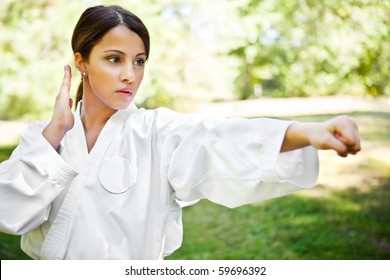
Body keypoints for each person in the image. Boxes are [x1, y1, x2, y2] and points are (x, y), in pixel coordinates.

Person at [0, 5, 360, 260]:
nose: (130, 74)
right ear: (82, 62)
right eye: (114, 59)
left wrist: (306, 132)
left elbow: (217, 141)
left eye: (139, 61)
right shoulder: (44, 138)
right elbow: (10, 212)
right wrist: (54, 134)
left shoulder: (156, 132)